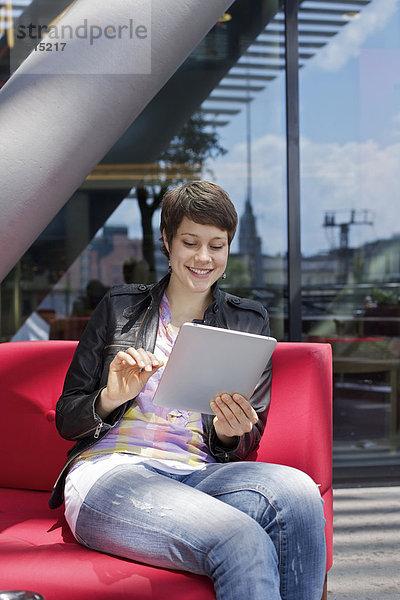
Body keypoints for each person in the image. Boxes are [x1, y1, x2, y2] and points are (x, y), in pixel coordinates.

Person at [49, 181, 326, 600]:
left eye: (217, 246)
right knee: (240, 539)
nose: (203, 258)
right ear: (167, 240)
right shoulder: (120, 308)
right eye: (190, 242)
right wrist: (111, 396)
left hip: (199, 473)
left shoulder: (247, 321)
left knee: (300, 495)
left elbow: (245, 438)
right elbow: (68, 419)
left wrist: (232, 431)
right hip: (112, 472)